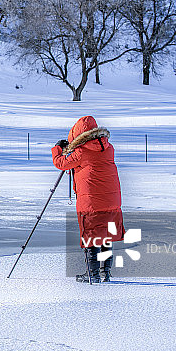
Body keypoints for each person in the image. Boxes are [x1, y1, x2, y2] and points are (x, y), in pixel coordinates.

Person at [52, 115, 125, 283]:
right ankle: (104, 273)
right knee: (106, 234)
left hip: (91, 202)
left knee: (92, 234)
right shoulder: (109, 148)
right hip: (112, 200)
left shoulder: (81, 152)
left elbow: (60, 163)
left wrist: (58, 148)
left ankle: (92, 274)